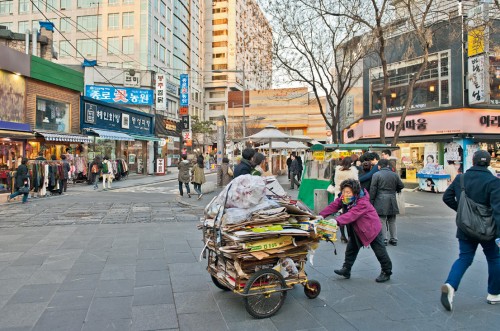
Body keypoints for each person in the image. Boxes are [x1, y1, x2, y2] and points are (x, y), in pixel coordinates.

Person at [441, 150, 500, 311]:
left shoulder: (462, 178)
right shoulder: (494, 182)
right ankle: (494, 294)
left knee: (464, 258)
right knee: (494, 258)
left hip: (465, 228)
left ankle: (451, 285)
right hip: (489, 230)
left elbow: (446, 197)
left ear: (472, 162)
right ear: (488, 163)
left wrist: (463, 213)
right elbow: (497, 210)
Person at [319, 179, 393, 283]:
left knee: (379, 251)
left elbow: (352, 214)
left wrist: (336, 221)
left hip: (371, 228)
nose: (345, 194)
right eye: (344, 191)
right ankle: (346, 269)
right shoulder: (344, 198)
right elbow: (334, 205)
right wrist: (321, 215)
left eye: (348, 192)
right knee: (351, 249)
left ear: (355, 192)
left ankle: (386, 271)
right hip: (357, 229)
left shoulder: (362, 202)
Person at [370, 159, 405, 246]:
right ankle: (394, 239)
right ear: (388, 166)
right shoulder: (394, 175)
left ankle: (384, 239)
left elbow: (373, 189)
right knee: (392, 220)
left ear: (379, 166)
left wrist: (371, 200)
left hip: (380, 199)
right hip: (392, 198)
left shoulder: (376, 175)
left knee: (382, 220)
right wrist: (395, 189)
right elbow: (401, 185)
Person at [334, 157, 359, 243]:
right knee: (348, 215)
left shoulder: (338, 170)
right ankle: (349, 236)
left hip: (339, 194)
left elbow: (335, 182)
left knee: (341, 215)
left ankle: (342, 235)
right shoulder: (352, 171)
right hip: (349, 195)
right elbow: (356, 183)